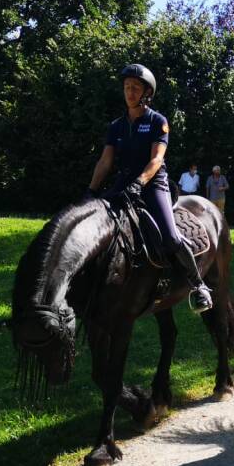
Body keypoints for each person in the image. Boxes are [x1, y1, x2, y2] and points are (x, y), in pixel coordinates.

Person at [86, 64, 212, 313]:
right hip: (124, 181)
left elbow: (156, 160)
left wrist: (140, 183)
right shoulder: (116, 126)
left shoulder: (158, 121)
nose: (129, 92)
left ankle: (199, 285)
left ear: (146, 93)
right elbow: (105, 161)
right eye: (126, 87)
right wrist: (91, 191)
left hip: (153, 183)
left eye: (135, 88)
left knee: (170, 236)